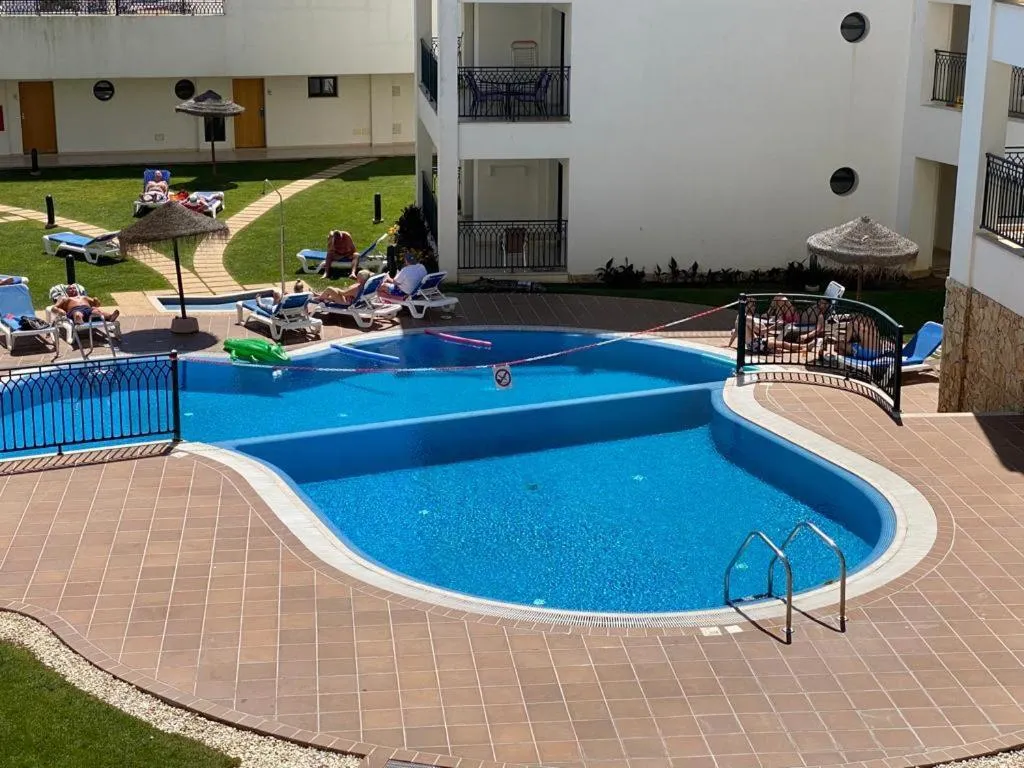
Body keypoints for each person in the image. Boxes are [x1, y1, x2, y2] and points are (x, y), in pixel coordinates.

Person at [53, 285, 119, 325]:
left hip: (87, 309)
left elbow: (97, 305)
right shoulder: (64, 298)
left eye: (74, 288)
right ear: (66, 291)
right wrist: (60, 311)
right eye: (70, 289)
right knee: (78, 314)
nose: (73, 290)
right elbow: (54, 308)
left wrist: (96, 300)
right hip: (74, 310)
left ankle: (110, 317)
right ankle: (79, 321)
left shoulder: (84, 297)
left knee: (96, 311)